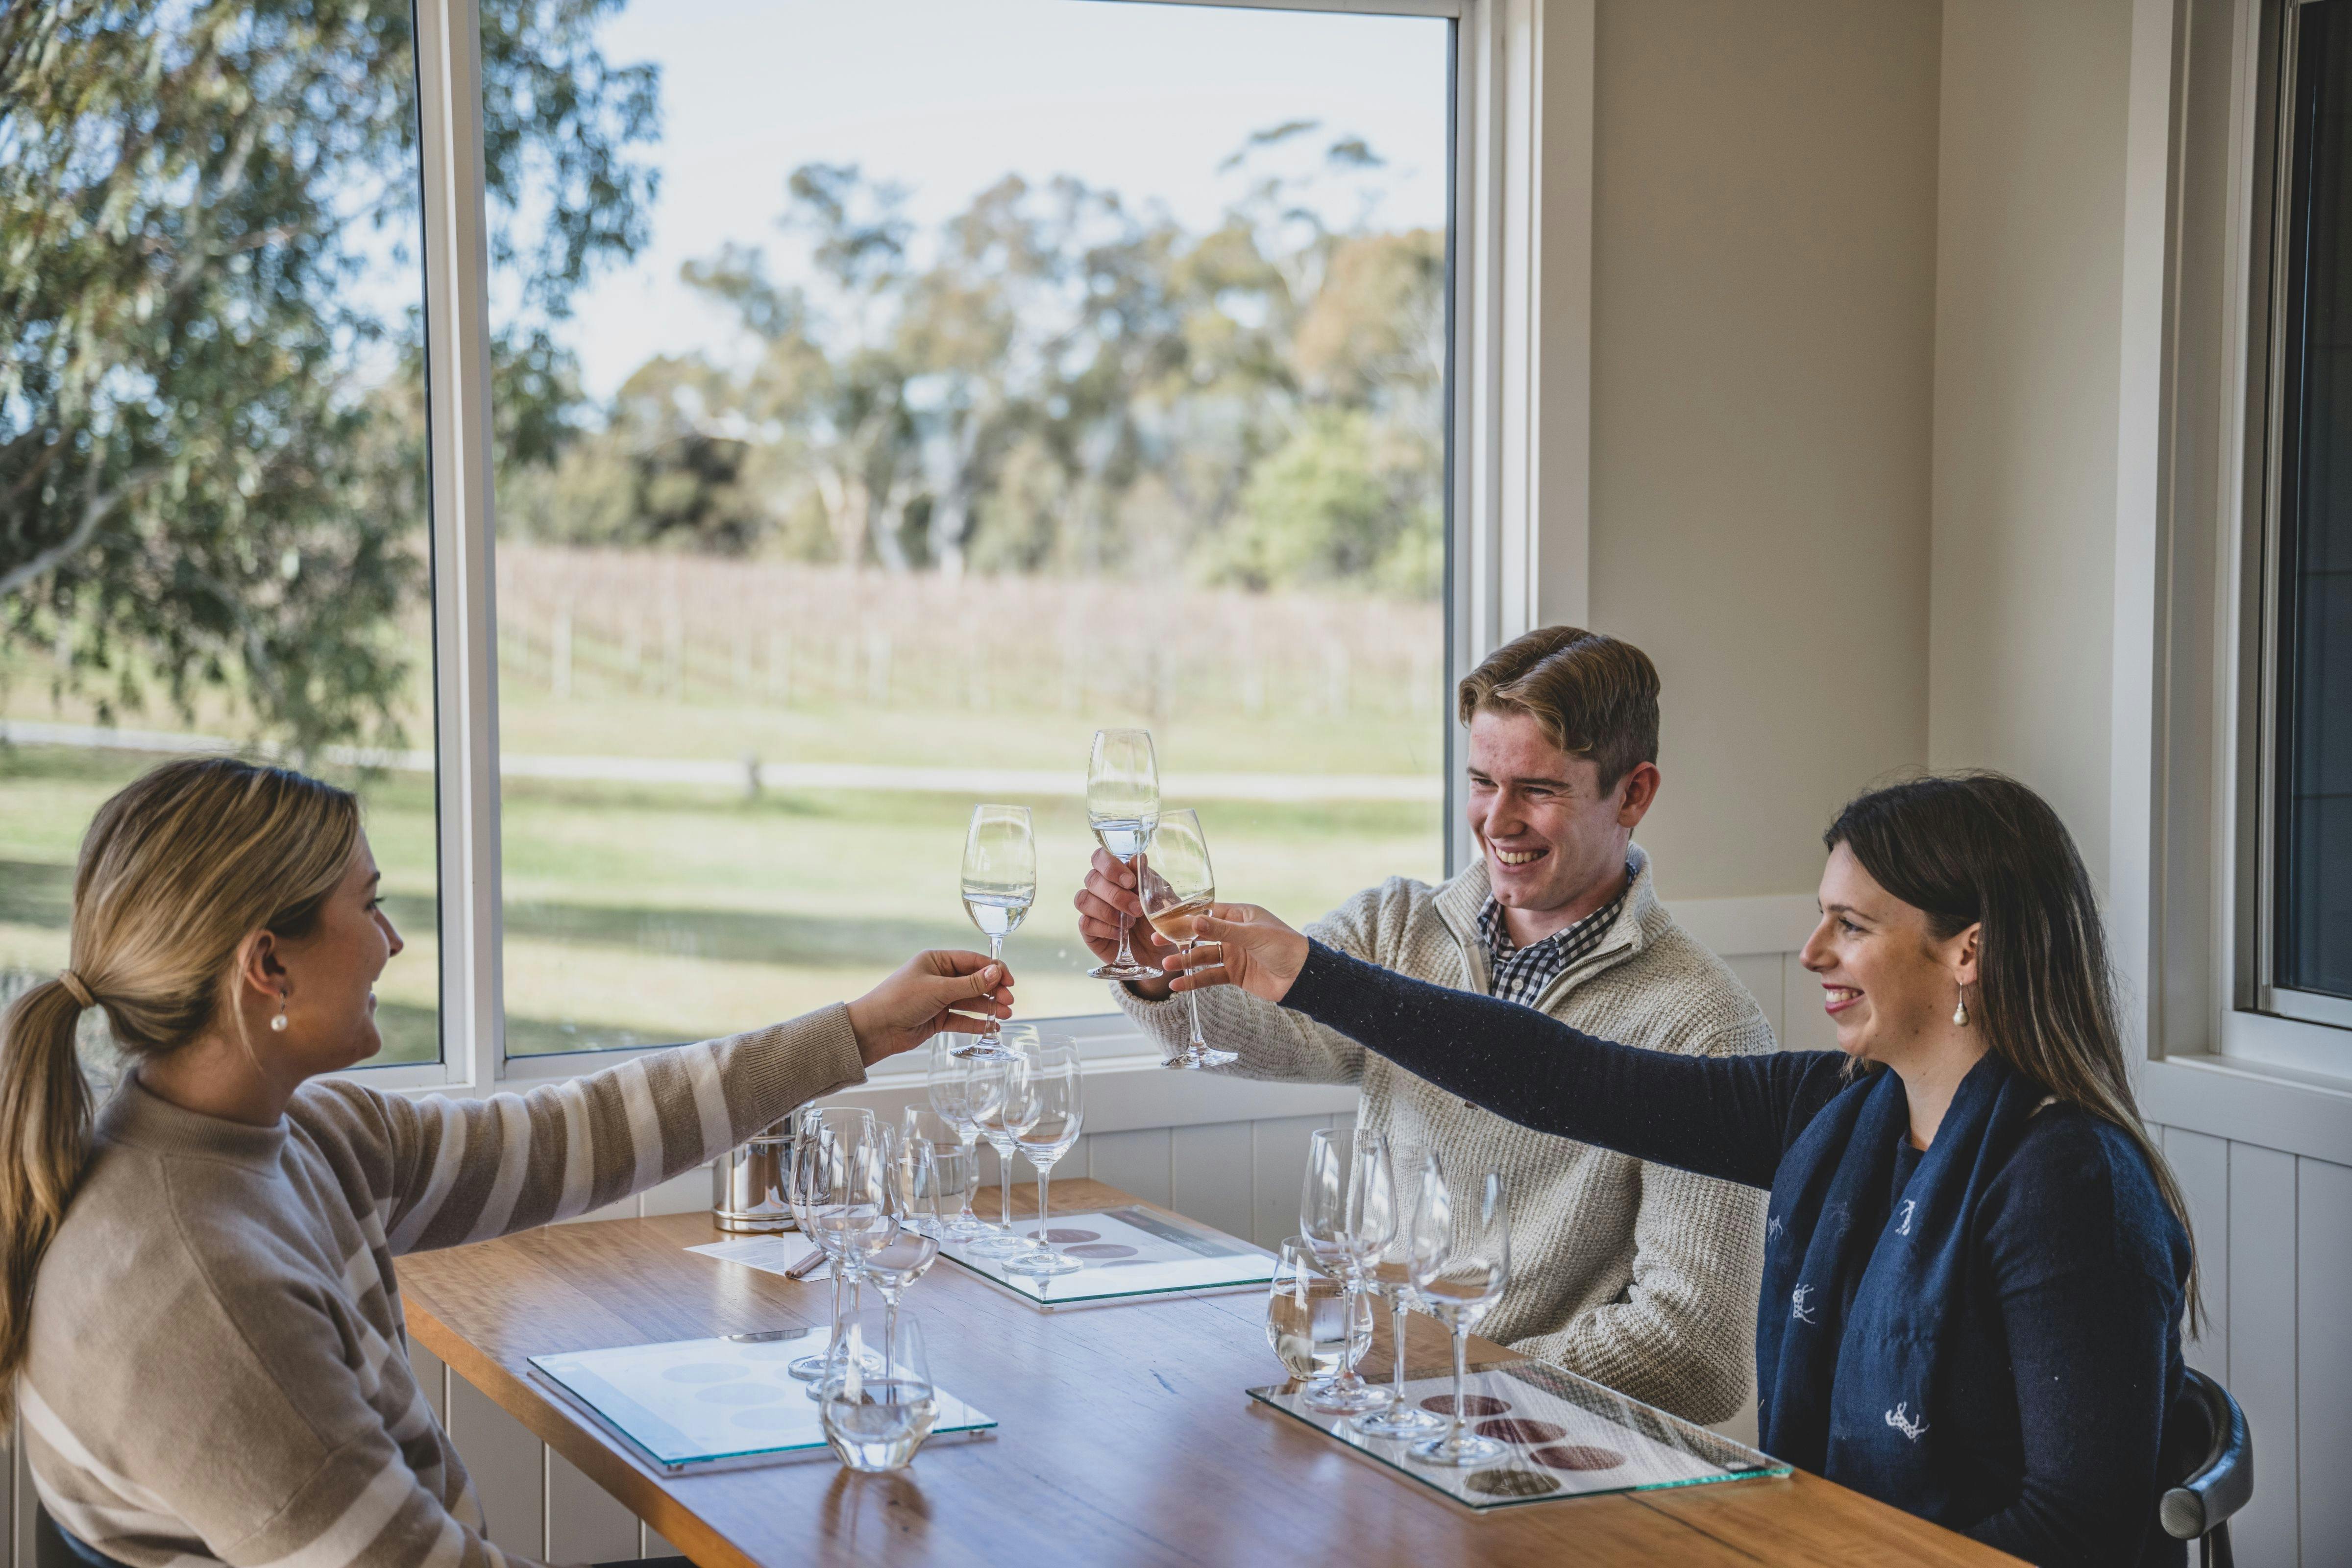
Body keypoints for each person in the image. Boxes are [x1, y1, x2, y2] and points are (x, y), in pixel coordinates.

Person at [1163, 772, 2203, 1568]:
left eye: (1852, 925)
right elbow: (1568, 1078)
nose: (1810, 952)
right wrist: (1306, 973)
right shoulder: (1842, 1113)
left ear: (1965, 953)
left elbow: (2077, 1530)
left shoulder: (2071, 1185)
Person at [3, 757, 1016, 1568]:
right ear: (268, 964)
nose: (395, 941)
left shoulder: (291, 1139)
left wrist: (859, 1033)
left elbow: (582, 1134)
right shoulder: (200, 1292)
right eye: (371, 905)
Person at [1075, 626, 1770, 1423]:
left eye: (1538, 790)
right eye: (1482, 781)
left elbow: (1695, 1356)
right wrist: (1163, 976)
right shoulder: (1399, 925)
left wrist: (1448, 1373)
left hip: (1536, 1455)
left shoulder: (1704, 1024)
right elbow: (1274, 1033)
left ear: (1635, 793)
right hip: (1379, 1414)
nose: (1497, 821)